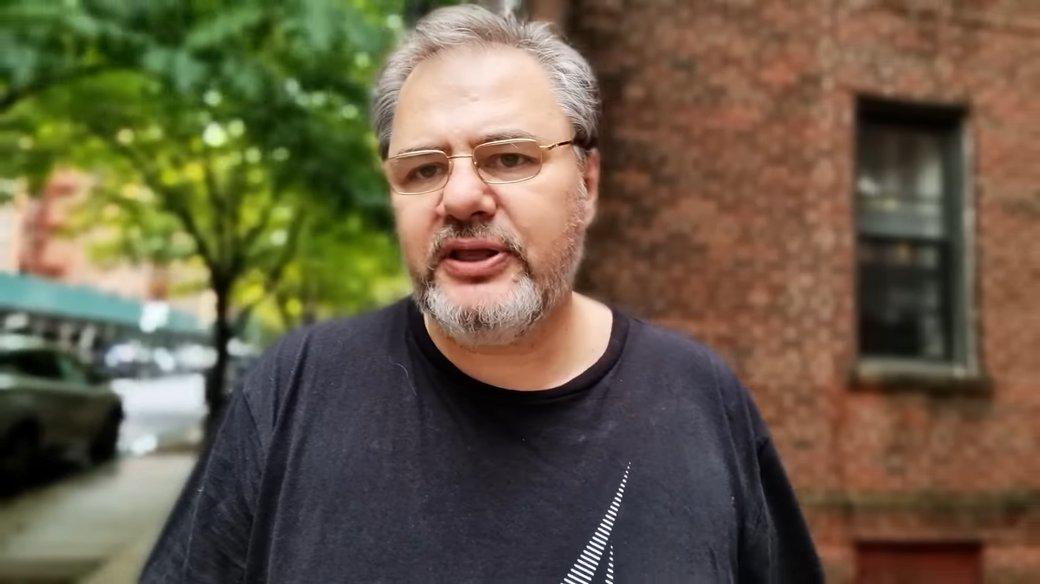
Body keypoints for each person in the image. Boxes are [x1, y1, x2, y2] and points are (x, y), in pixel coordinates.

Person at [141, 5, 823, 583]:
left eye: (509, 157)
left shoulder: (701, 400)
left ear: (587, 183)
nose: (462, 196)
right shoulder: (292, 392)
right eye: (423, 169)